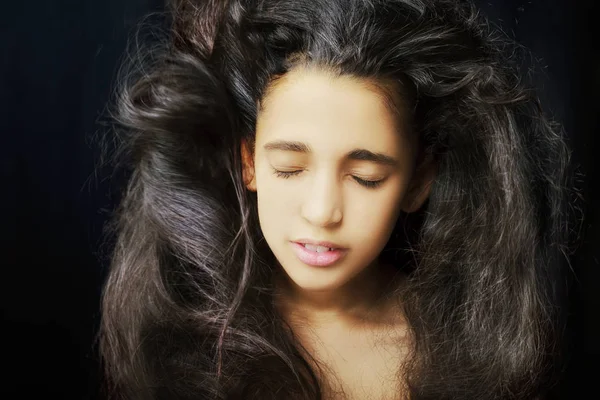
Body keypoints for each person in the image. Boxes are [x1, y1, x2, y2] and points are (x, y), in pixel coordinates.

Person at [98, 0, 579, 398]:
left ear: (418, 181)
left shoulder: (472, 346)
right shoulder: (184, 335)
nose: (322, 211)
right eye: (289, 167)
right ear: (248, 162)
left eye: (366, 177)